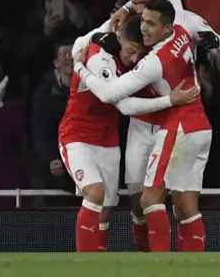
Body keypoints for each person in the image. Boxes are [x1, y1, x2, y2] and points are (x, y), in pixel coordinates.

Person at [72, 0, 220, 252]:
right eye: (134, 4)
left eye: (145, 5)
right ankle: (152, 259)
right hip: (149, 123)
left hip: (173, 123)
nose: (139, 13)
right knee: (145, 200)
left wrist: (219, 43)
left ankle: (157, 263)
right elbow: (82, 42)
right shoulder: (136, 22)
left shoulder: (182, 27)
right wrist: (110, 24)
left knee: (156, 200)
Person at [59, 16, 198, 252]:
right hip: (77, 137)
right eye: (131, 51)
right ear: (120, 38)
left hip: (108, 140)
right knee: (94, 194)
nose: (134, 59)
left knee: (104, 210)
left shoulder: (129, 57)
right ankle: (81, 267)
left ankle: (98, 267)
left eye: (138, 53)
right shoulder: (97, 56)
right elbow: (122, 105)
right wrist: (169, 101)